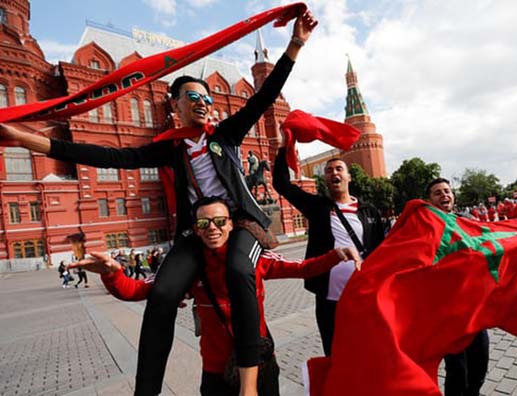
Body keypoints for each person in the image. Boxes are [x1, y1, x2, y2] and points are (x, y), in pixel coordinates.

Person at [0, 11, 318, 395]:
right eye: (192, 97)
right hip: (193, 229)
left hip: (239, 225)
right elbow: (107, 158)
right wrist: (22, 138)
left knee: (238, 272)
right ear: (174, 106)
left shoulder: (226, 133)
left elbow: (264, 96)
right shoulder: (169, 148)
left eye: (206, 97)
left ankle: (250, 384)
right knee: (164, 295)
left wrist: (296, 43)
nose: (202, 103)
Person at [69, 196, 360, 395]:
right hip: (215, 370)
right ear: (195, 230)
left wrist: (336, 255)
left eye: (220, 221)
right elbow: (138, 290)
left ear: (231, 225)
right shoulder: (189, 270)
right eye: (204, 224)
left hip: (259, 363)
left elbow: (302, 268)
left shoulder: (252, 260)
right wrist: (111, 272)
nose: (213, 229)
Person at [272, 131, 386, 356]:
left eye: (338, 169)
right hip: (329, 299)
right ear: (324, 179)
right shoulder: (317, 207)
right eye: (329, 170)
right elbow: (281, 184)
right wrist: (284, 148)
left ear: (348, 177)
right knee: (334, 353)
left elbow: (384, 251)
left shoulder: (369, 211)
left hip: (365, 297)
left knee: (368, 351)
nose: (334, 172)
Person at [426, 178, 489, 396]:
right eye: (437, 193)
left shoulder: (468, 221)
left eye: (447, 191)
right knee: (457, 369)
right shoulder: (424, 229)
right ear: (429, 201)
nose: (444, 195)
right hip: (446, 313)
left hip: (475, 309)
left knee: (480, 364)